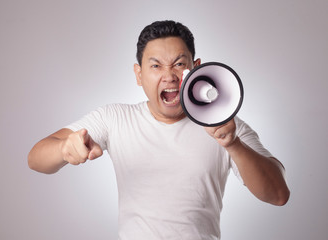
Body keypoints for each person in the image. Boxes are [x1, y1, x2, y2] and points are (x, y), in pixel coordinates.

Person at [28, 20, 290, 240]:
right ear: (139, 74)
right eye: (156, 66)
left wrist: (233, 144)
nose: (169, 76)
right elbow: (35, 159)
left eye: (178, 64)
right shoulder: (116, 118)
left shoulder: (223, 124)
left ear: (196, 67)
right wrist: (64, 148)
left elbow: (279, 195)